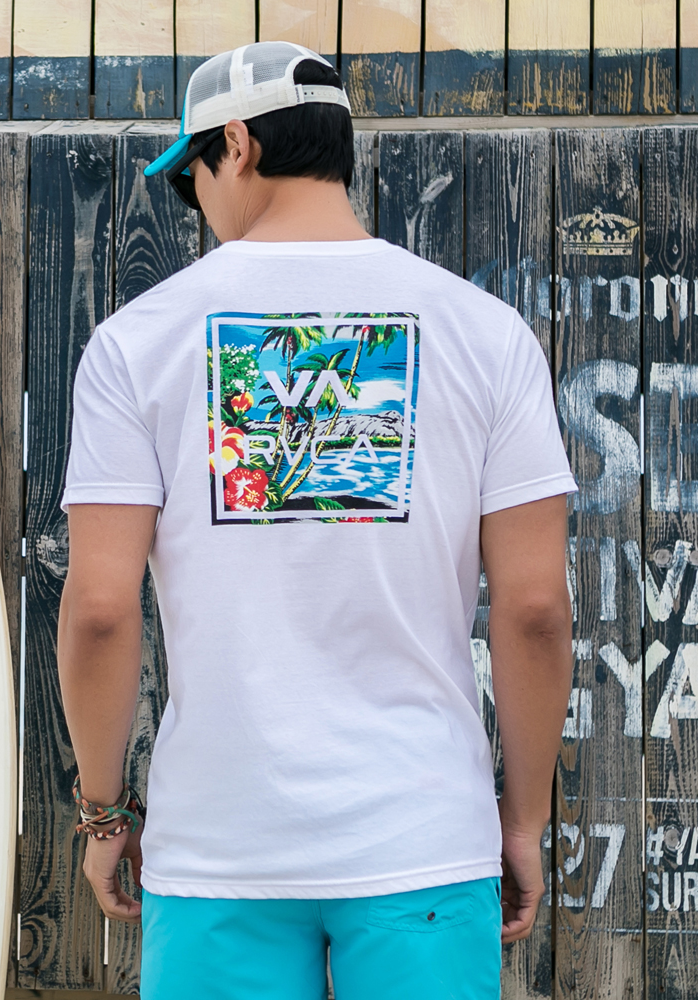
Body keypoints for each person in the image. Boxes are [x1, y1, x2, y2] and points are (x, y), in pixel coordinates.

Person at [57, 40, 575, 1000]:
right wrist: (522, 820)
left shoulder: (137, 344)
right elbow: (537, 608)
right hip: (422, 842)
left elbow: (98, 609)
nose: (198, 204)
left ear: (237, 144)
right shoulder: (487, 334)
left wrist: (101, 812)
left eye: (192, 178)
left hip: (219, 847)